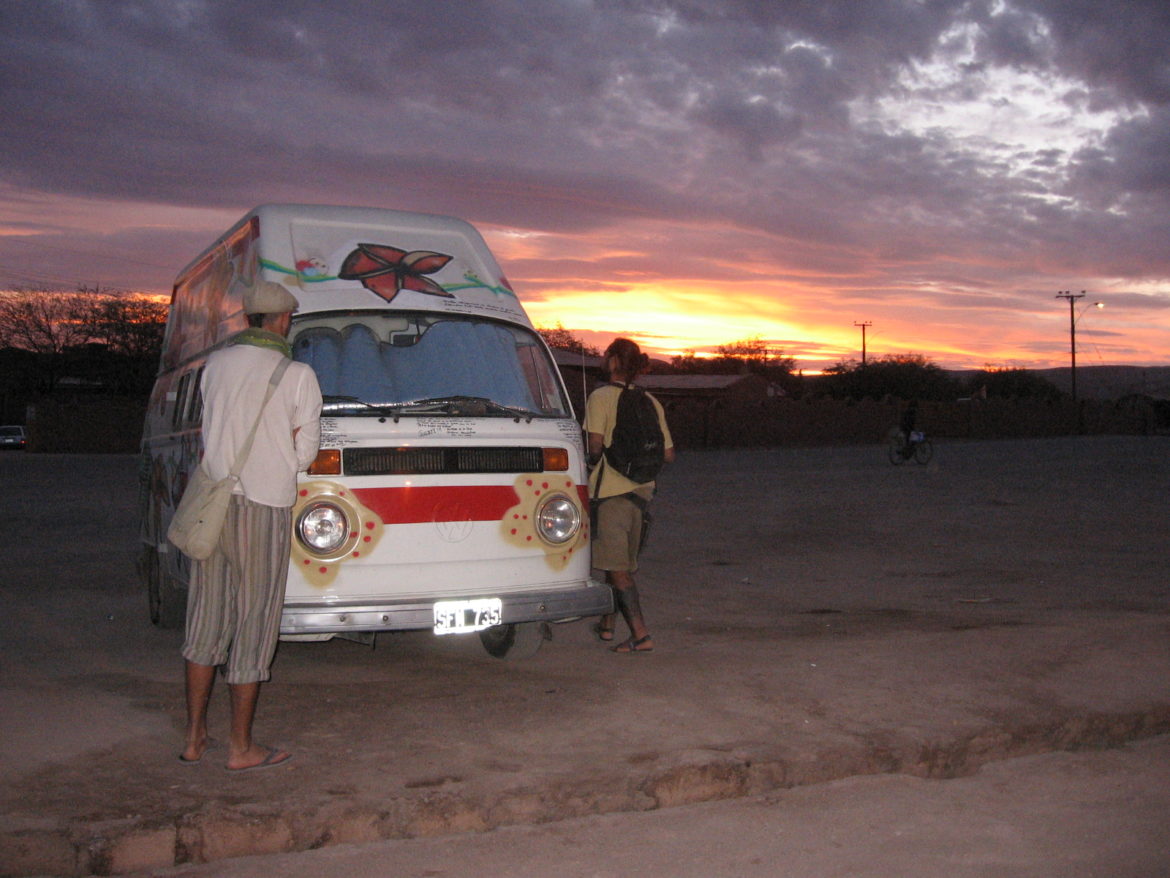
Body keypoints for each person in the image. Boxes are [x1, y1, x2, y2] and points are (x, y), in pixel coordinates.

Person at [179, 281, 322, 771]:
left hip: (214, 504)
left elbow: (209, 430)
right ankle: (241, 747)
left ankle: (196, 737)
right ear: (282, 321)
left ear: (249, 319)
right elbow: (304, 454)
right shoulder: (297, 373)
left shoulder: (214, 365)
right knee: (254, 621)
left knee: (206, 617)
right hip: (264, 506)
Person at [585, 338, 675, 654]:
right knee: (616, 562)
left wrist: (589, 466)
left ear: (611, 362)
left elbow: (595, 445)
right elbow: (668, 454)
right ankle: (608, 627)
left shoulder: (600, 397)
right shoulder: (650, 400)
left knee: (618, 571)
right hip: (641, 495)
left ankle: (640, 635)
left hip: (610, 495)